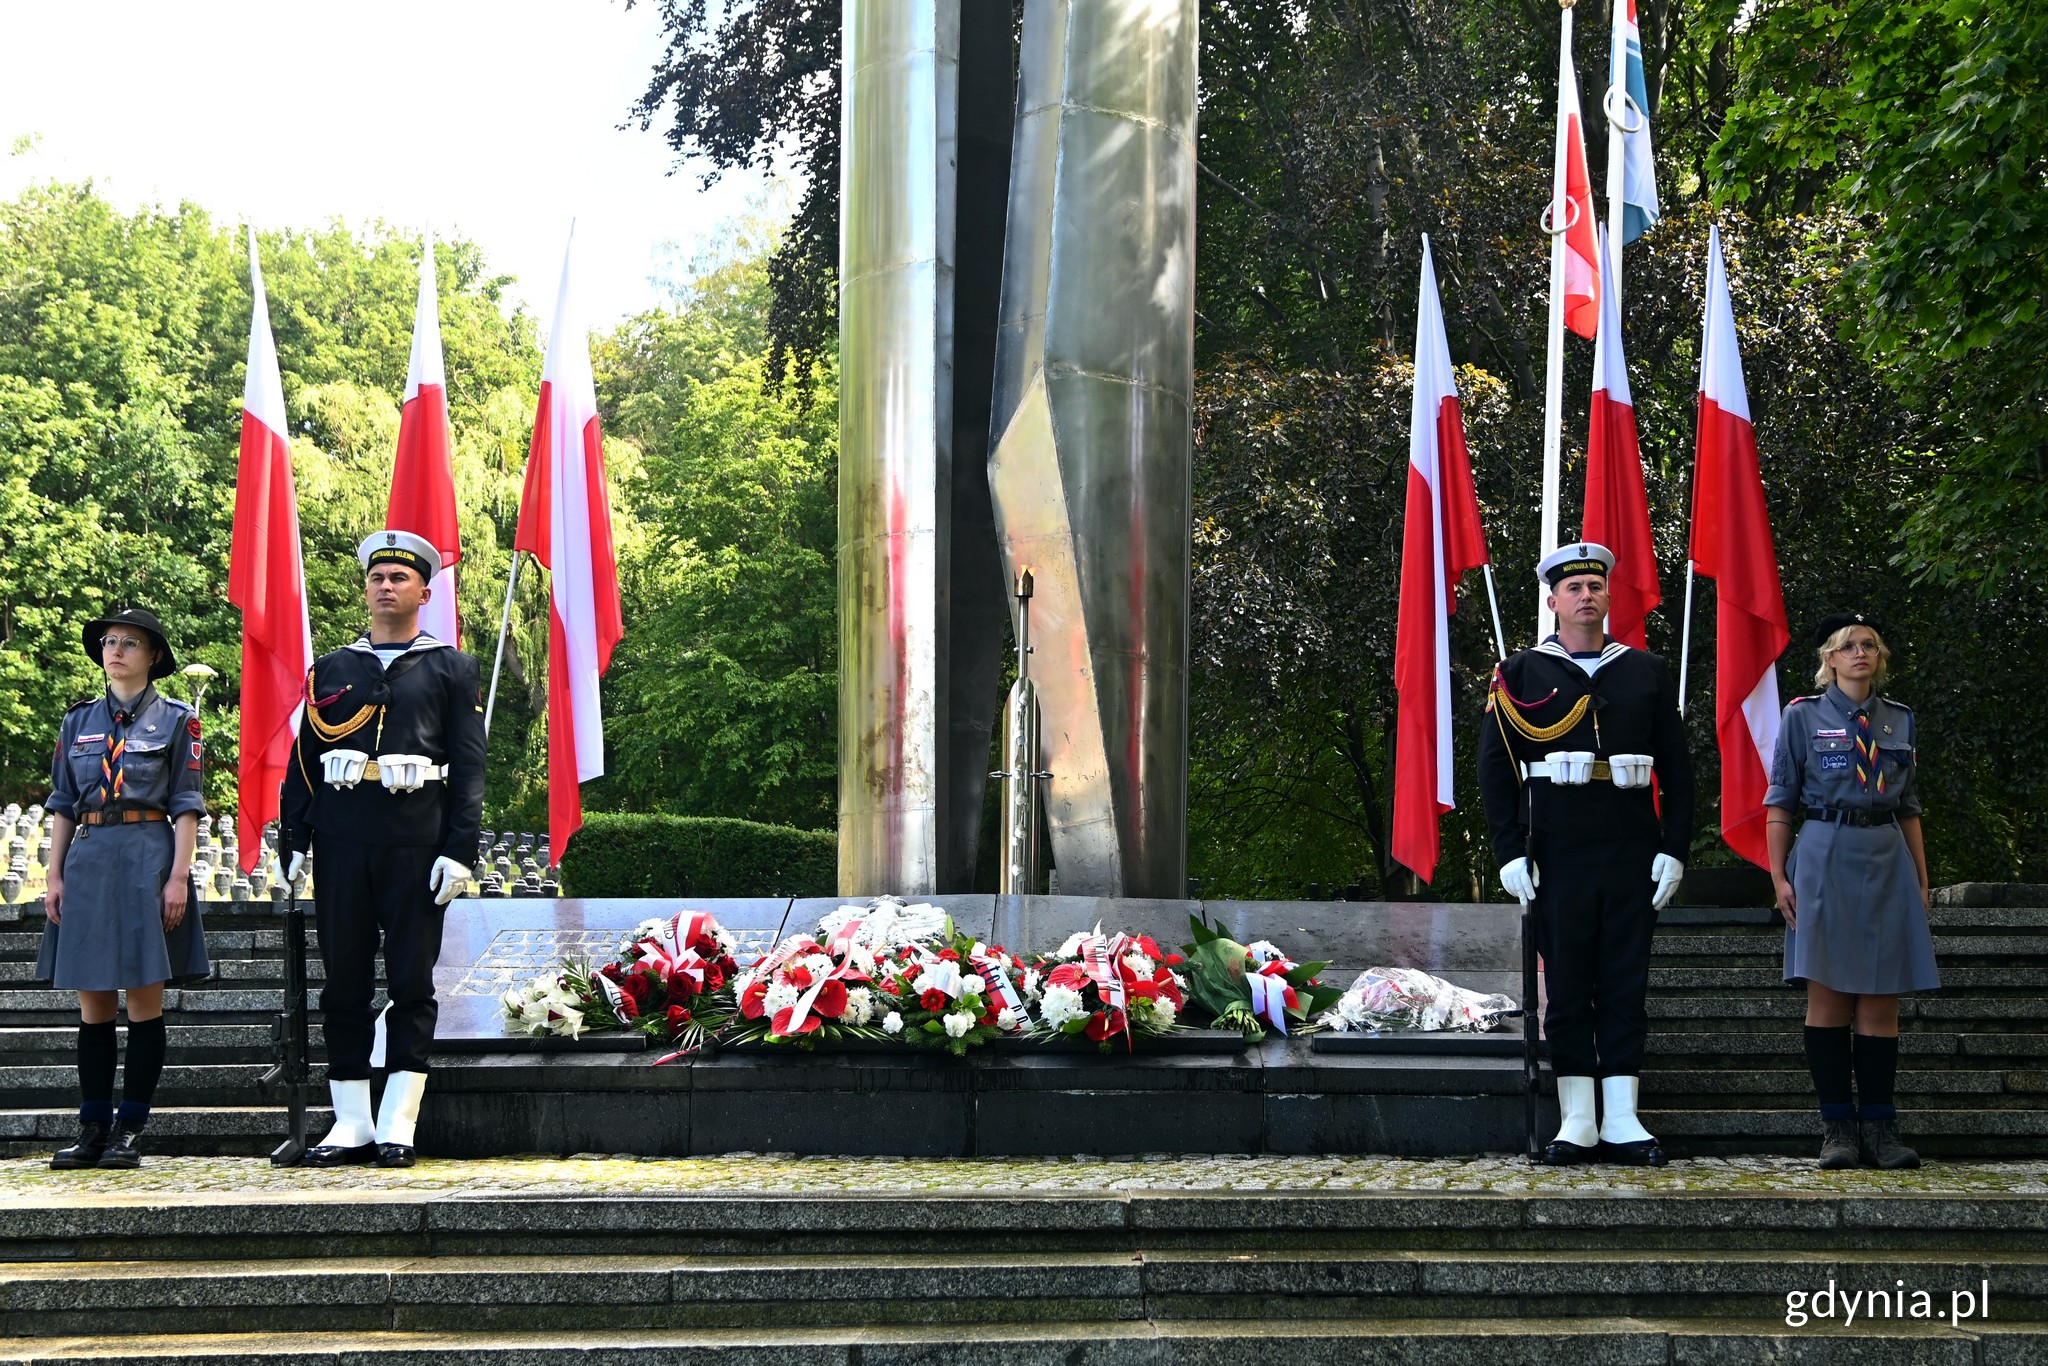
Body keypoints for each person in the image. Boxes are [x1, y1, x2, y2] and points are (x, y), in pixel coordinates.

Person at [1478, 544, 1695, 1166]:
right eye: (1572, 588)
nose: (1585, 596)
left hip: (1631, 846)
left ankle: (1622, 1115)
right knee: (1569, 983)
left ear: (1608, 596)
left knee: (1625, 980)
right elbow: (1496, 768)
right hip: (1557, 848)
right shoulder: (1519, 673)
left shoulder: (1646, 671)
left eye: (1595, 586)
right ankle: (1577, 1117)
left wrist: (1674, 848)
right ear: (1553, 601)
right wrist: (1509, 850)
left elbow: (1678, 769)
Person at [276, 530, 483, 1168]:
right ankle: (351, 1123)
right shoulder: (332, 667)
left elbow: (469, 766)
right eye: (376, 577)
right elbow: (304, 760)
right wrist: (295, 835)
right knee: (343, 982)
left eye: (399, 578)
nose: (386, 586)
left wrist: (460, 849)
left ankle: (399, 1120)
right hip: (343, 840)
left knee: (411, 982)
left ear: (425, 592)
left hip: (417, 844)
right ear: (365, 588)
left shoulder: (451, 667)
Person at [1766, 612, 1938, 1171]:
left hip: (1886, 855)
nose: (1860, 653)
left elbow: (1908, 806)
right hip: (1824, 853)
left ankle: (1881, 1128)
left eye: (1869, 645)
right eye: (1848, 646)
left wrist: (1921, 878)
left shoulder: (1900, 719)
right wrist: (1779, 876)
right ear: (1829, 659)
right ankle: (1838, 1127)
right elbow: (1780, 801)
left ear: (1879, 656)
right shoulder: (1802, 716)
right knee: (1829, 998)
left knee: (1882, 1000)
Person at [38, 607, 208, 1169]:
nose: (115, 650)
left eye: (130, 643)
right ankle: (92, 1127)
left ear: (153, 656)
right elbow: (63, 803)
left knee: (141, 1001)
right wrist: (54, 875)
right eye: (110, 641)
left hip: (147, 858)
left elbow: (186, 805)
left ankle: (129, 1128)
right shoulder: (77, 721)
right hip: (88, 859)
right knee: (93, 1003)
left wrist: (178, 876)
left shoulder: (178, 721)